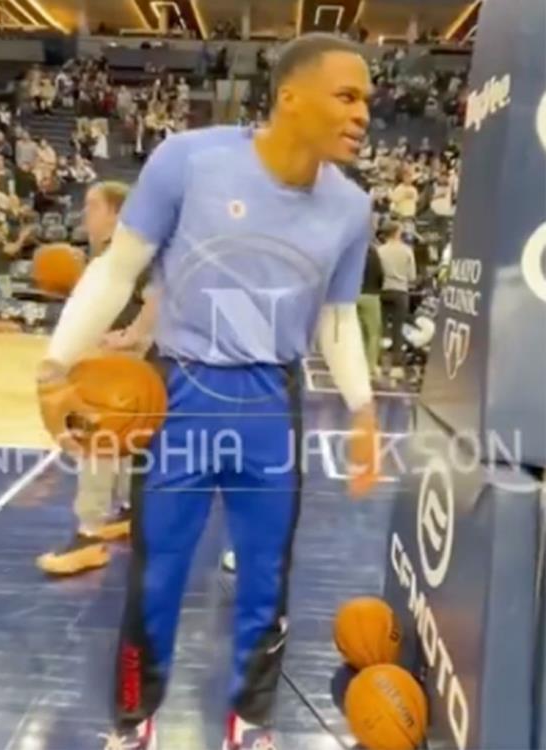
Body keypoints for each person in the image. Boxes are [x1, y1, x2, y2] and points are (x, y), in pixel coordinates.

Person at [37, 33, 378, 750]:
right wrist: (55, 364)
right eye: (347, 96)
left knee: (264, 582)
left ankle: (251, 723)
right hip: (180, 398)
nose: (363, 114)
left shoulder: (351, 208)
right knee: (155, 580)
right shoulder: (190, 160)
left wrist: (363, 408)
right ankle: (133, 723)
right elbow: (115, 271)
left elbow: (338, 318)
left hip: (271, 405)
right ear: (291, 96)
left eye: (368, 102)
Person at [37, 181, 158, 576]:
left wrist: (135, 334)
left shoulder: (133, 252)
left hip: (133, 364)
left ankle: (89, 533)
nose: (84, 214)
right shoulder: (111, 254)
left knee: (95, 438)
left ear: (116, 213)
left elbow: (162, 295)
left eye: (92, 206)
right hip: (130, 364)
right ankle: (127, 508)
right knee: (124, 441)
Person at [377, 222, 417, 378]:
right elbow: (412, 276)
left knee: (379, 328)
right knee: (397, 329)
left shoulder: (379, 251)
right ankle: (396, 366)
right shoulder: (407, 251)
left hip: (383, 290)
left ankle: (378, 362)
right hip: (401, 292)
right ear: (397, 233)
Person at [357, 243, 384, 376]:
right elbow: (380, 275)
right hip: (371, 295)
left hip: (353, 295)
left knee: (359, 332)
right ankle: (370, 367)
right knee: (373, 333)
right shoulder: (373, 253)